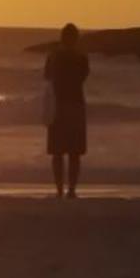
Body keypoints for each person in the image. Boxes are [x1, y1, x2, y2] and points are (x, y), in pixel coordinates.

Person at [44, 23, 90, 199]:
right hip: (76, 105)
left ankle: (59, 190)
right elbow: (83, 77)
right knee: (74, 152)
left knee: (57, 151)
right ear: (76, 39)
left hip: (58, 105)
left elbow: (46, 76)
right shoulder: (81, 58)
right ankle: (71, 190)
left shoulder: (54, 56)